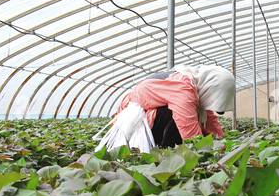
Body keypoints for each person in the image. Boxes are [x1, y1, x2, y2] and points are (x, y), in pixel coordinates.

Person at [98, 64, 234, 152]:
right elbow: (189, 130)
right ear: (210, 88)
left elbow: (210, 119)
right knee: (176, 115)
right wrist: (202, 153)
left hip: (151, 120)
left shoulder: (197, 88)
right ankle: (165, 151)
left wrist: (221, 142)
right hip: (136, 126)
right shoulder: (183, 88)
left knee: (194, 115)